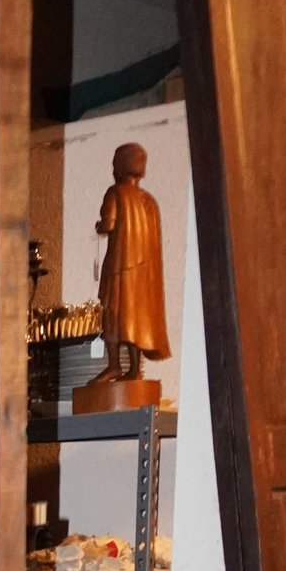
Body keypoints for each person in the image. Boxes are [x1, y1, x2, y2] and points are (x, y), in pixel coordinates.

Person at [81, 143, 170, 392]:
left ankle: (113, 366)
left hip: (120, 266)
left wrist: (99, 226)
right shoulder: (148, 201)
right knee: (136, 315)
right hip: (143, 274)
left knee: (113, 313)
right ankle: (133, 368)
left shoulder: (115, 193)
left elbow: (108, 224)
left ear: (119, 167)